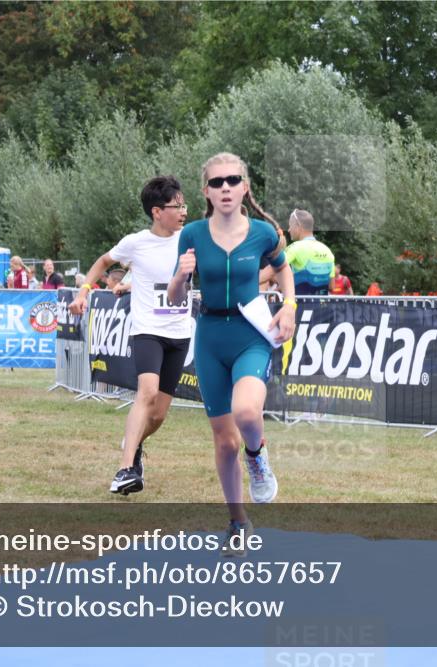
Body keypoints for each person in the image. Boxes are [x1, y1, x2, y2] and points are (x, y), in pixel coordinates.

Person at [167, 152, 296, 556]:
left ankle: (257, 456)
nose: (225, 188)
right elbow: (174, 298)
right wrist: (181, 276)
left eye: (233, 181)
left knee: (247, 414)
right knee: (225, 443)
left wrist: (289, 306)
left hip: (250, 332)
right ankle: (238, 522)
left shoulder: (262, 233)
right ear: (205, 191)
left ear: (245, 188)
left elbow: (284, 269)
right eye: (217, 182)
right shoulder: (191, 235)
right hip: (209, 337)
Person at [69, 175, 192, 497]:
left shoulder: (191, 238)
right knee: (146, 393)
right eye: (176, 206)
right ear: (156, 212)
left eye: (184, 205)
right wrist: (83, 292)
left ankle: (133, 444)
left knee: (159, 414)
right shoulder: (136, 242)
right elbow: (103, 262)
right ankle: (124, 470)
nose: (183, 212)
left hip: (180, 333)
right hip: (147, 330)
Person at [259, 208, 334, 295]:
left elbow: (271, 270)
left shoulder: (295, 247)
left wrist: (249, 283)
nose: (289, 230)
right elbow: (331, 286)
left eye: (290, 226)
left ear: (298, 226)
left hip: (300, 302)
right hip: (322, 302)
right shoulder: (327, 250)